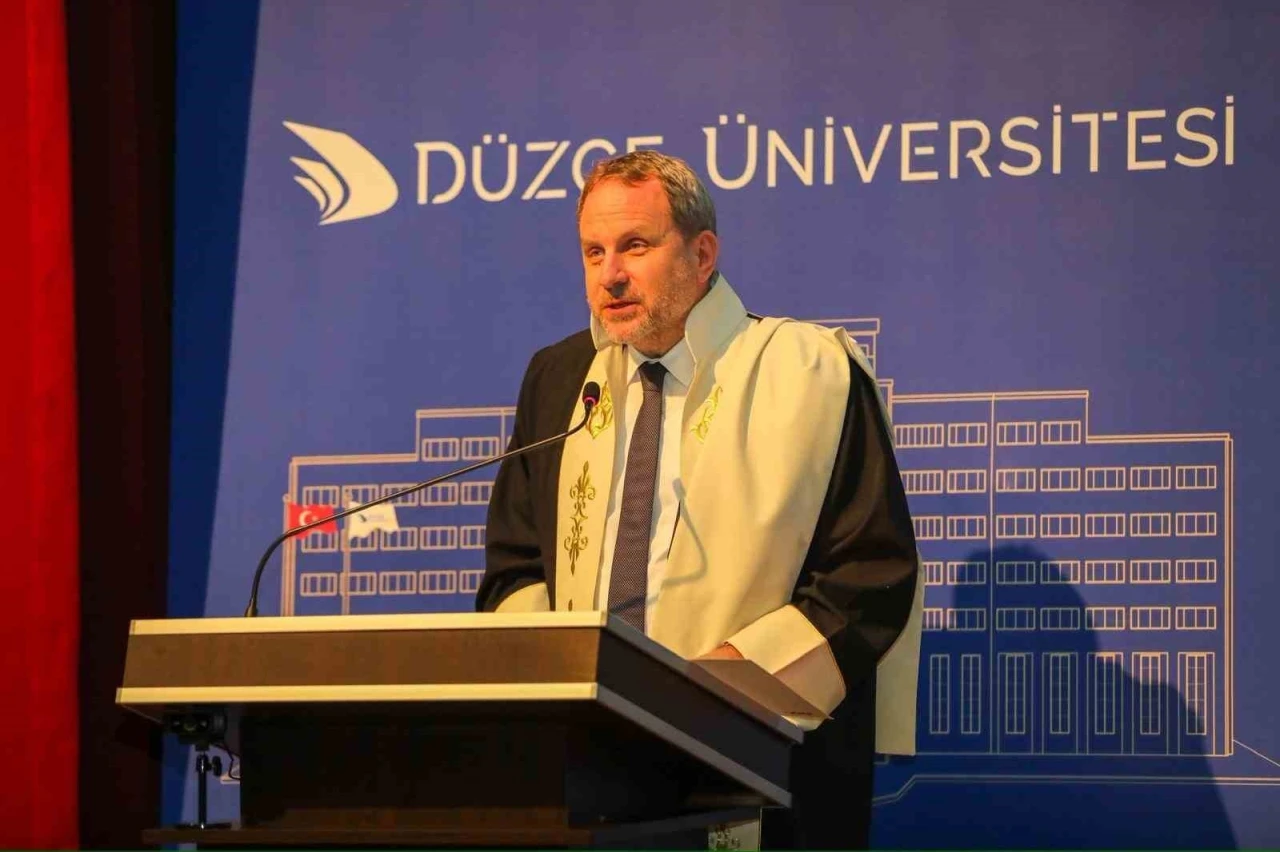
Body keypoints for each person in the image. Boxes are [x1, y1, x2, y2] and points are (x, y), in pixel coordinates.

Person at [476, 150, 922, 849]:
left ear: (702, 253)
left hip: (765, 773)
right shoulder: (560, 379)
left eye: (635, 246)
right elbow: (515, 569)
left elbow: (869, 576)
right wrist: (560, 694)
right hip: (586, 772)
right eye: (593, 252)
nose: (610, 274)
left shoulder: (811, 371)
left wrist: (704, 702)